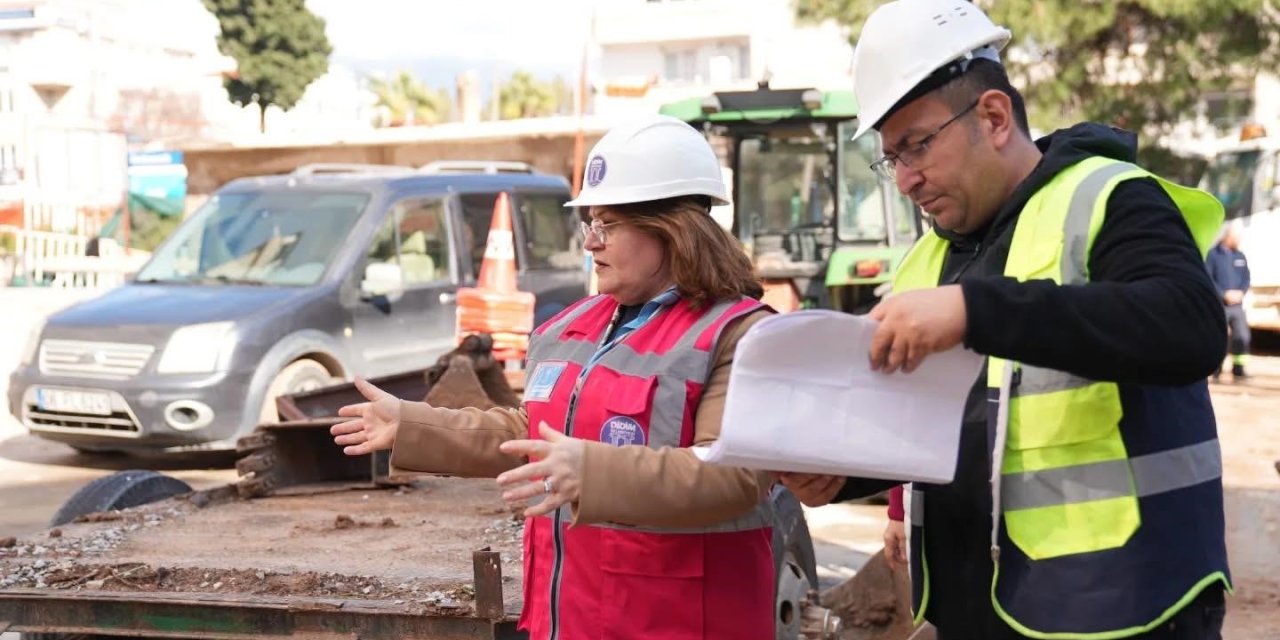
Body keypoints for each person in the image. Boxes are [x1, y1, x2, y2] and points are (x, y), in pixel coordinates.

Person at [777, 1, 1231, 638]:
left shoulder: (1110, 197)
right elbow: (956, 425)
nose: (905, 179)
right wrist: (847, 476)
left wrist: (975, 311)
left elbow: (1189, 328)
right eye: (891, 159)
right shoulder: (927, 259)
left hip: (1124, 605)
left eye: (917, 146)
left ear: (992, 116)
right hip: (975, 611)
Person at [330, 114, 777, 640]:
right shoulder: (572, 326)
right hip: (571, 620)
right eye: (589, 223)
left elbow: (735, 477)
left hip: (678, 622)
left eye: (607, 224)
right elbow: (533, 432)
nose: (591, 243)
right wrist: (411, 426)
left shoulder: (741, 335)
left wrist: (591, 471)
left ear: (674, 229)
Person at [1206, 220, 1251, 381]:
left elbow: (1246, 278)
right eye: (1236, 237)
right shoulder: (1213, 255)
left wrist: (1240, 293)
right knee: (1220, 338)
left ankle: (1238, 371)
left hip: (1237, 305)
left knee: (1242, 336)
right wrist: (1223, 294)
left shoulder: (1240, 256)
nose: (1238, 240)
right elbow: (1208, 278)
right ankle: (1215, 371)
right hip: (1220, 305)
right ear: (1227, 236)